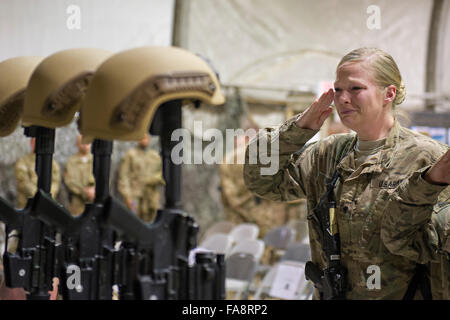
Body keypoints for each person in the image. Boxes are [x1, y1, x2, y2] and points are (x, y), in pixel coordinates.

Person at [243, 47, 449, 299]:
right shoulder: (328, 154)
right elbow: (263, 181)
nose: (342, 99)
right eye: (338, 90)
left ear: (389, 93)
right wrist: (297, 130)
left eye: (355, 89)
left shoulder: (428, 159)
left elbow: (434, 248)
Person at [118, 133, 165, 222]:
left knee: (151, 222)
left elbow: (161, 176)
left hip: (150, 196)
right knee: (133, 222)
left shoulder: (155, 156)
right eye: (142, 137)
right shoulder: (130, 155)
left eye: (146, 137)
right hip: (135, 195)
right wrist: (127, 196)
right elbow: (123, 177)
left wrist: (153, 180)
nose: (144, 140)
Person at [14, 137, 61, 208]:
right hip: (27, 204)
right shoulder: (23, 161)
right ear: (31, 143)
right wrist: (39, 196)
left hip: (46, 205)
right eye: (35, 142)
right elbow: (23, 182)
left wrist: (48, 196)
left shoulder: (52, 163)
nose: (37, 144)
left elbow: (55, 182)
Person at [63, 135, 95, 216]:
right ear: (78, 144)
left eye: (88, 142)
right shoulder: (71, 161)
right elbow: (69, 181)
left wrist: (95, 190)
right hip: (77, 205)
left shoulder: (95, 160)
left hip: (94, 202)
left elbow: (103, 178)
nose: (86, 145)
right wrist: (84, 191)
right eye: (83, 142)